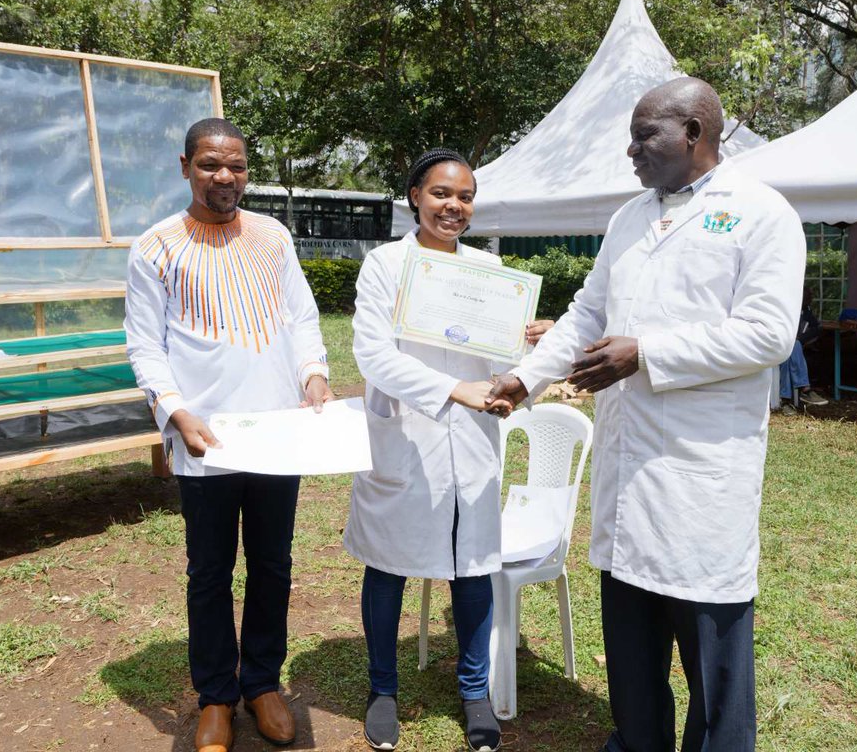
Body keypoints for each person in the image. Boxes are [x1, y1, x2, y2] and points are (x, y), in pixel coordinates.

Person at [487, 78, 805, 752]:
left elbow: (768, 334)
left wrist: (647, 354)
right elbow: (586, 316)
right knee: (632, 643)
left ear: (693, 131)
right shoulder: (630, 217)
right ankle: (638, 741)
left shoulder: (761, 213)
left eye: (643, 134)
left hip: (701, 472)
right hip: (630, 466)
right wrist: (524, 379)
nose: (630, 149)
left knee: (711, 652)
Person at [124, 118, 332, 752]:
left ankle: (263, 684)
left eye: (236, 166)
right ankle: (216, 695)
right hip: (204, 438)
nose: (225, 177)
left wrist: (315, 374)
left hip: (275, 433)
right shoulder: (155, 247)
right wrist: (175, 411)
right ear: (184, 164)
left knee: (272, 564)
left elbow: (300, 314)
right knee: (209, 571)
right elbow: (145, 344)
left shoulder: (272, 236)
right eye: (211, 164)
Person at [344, 148, 549, 752]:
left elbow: (501, 360)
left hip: (475, 440)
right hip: (406, 436)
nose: (453, 207)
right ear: (414, 196)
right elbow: (373, 356)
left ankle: (475, 691)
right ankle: (383, 689)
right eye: (440, 194)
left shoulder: (491, 268)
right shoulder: (384, 266)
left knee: (474, 567)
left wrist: (530, 345)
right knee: (387, 566)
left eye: (464, 197)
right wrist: (451, 390)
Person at [778, 286, 828, 414]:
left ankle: (785, 402)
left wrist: (801, 339)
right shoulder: (785, 309)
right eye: (808, 297)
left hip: (789, 349)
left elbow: (817, 328)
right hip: (776, 343)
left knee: (790, 354)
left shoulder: (805, 310)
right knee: (794, 346)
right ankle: (805, 389)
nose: (811, 300)